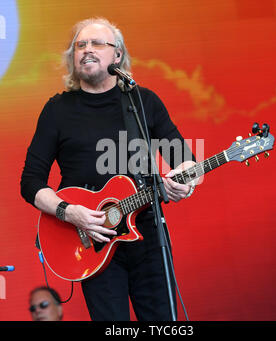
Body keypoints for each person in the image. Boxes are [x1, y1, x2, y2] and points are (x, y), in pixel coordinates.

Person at [21, 17, 196, 321]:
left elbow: (185, 158)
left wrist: (185, 181)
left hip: (148, 238)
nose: (87, 49)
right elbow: (30, 182)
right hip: (93, 241)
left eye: (97, 43)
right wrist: (68, 211)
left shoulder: (142, 102)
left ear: (117, 56)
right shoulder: (57, 110)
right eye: (80, 45)